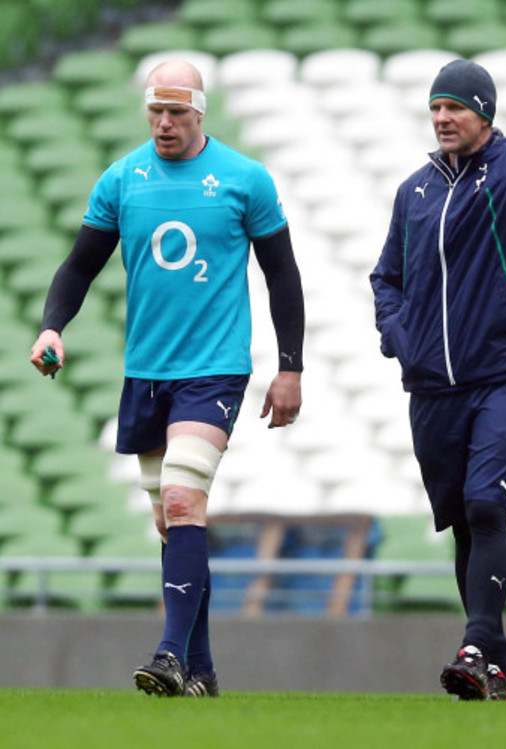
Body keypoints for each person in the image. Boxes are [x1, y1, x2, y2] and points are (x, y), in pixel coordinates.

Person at [30, 59, 304, 698]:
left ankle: (170, 655)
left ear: (200, 112)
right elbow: (78, 267)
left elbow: (283, 276)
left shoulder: (244, 179)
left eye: (177, 112)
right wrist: (51, 327)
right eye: (155, 110)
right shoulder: (123, 179)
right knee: (173, 521)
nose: (164, 123)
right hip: (147, 372)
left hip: (215, 369)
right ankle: (202, 671)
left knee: (183, 499)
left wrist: (289, 367)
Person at [370, 59, 506, 701]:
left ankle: (476, 645)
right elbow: (386, 278)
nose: (442, 118)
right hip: (433, 385)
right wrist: (401, 337)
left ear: (484, 111)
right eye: (435, 108)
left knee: (487, 501)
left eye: (454, 107)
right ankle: (493, 661)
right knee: (463, 517)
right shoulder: (414, 191)